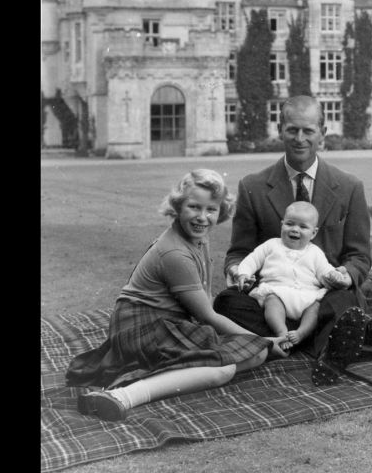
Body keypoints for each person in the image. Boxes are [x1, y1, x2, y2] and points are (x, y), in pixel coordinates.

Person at [213, 96, 372, 387]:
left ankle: (284, 341)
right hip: (272, 299)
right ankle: (333, 341)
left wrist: (343, 276)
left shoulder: (349, 187)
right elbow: (238, 253)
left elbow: (360, 257)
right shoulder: (253, 187)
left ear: (322, 133)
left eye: (308, 131)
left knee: (346, 299)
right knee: (226, 302)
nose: (300, 139)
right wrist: (238, 273)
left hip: (324, 297)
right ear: (280, 129)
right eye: (292, 130)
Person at [66, 169, 281, 422]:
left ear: (220, 210)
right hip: (141, 325)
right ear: (178, 206)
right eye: (193, 207)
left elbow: (206, 297)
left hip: (168, 322)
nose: (202, 217)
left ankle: (170, 373)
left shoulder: (199, 237)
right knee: (224, 369)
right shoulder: (174, 253)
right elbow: (208, 316)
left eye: (211, 209)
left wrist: (259, 343)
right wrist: (265, 339)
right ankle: (124, 395)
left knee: (254, 353)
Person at [231, 201, 351, 350]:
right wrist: (243, 273)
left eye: (303, 227)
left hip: (307, 296)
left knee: (315, 308)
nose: (295, 229)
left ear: (313, 233)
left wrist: (334, 275)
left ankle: (301, 333)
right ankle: (282, 332)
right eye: (290, 224)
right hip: (277, 291)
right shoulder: (272, 245)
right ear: (282, 225)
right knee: (271, 302)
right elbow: (252, 259)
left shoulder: (315, 252)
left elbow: (325, 271)